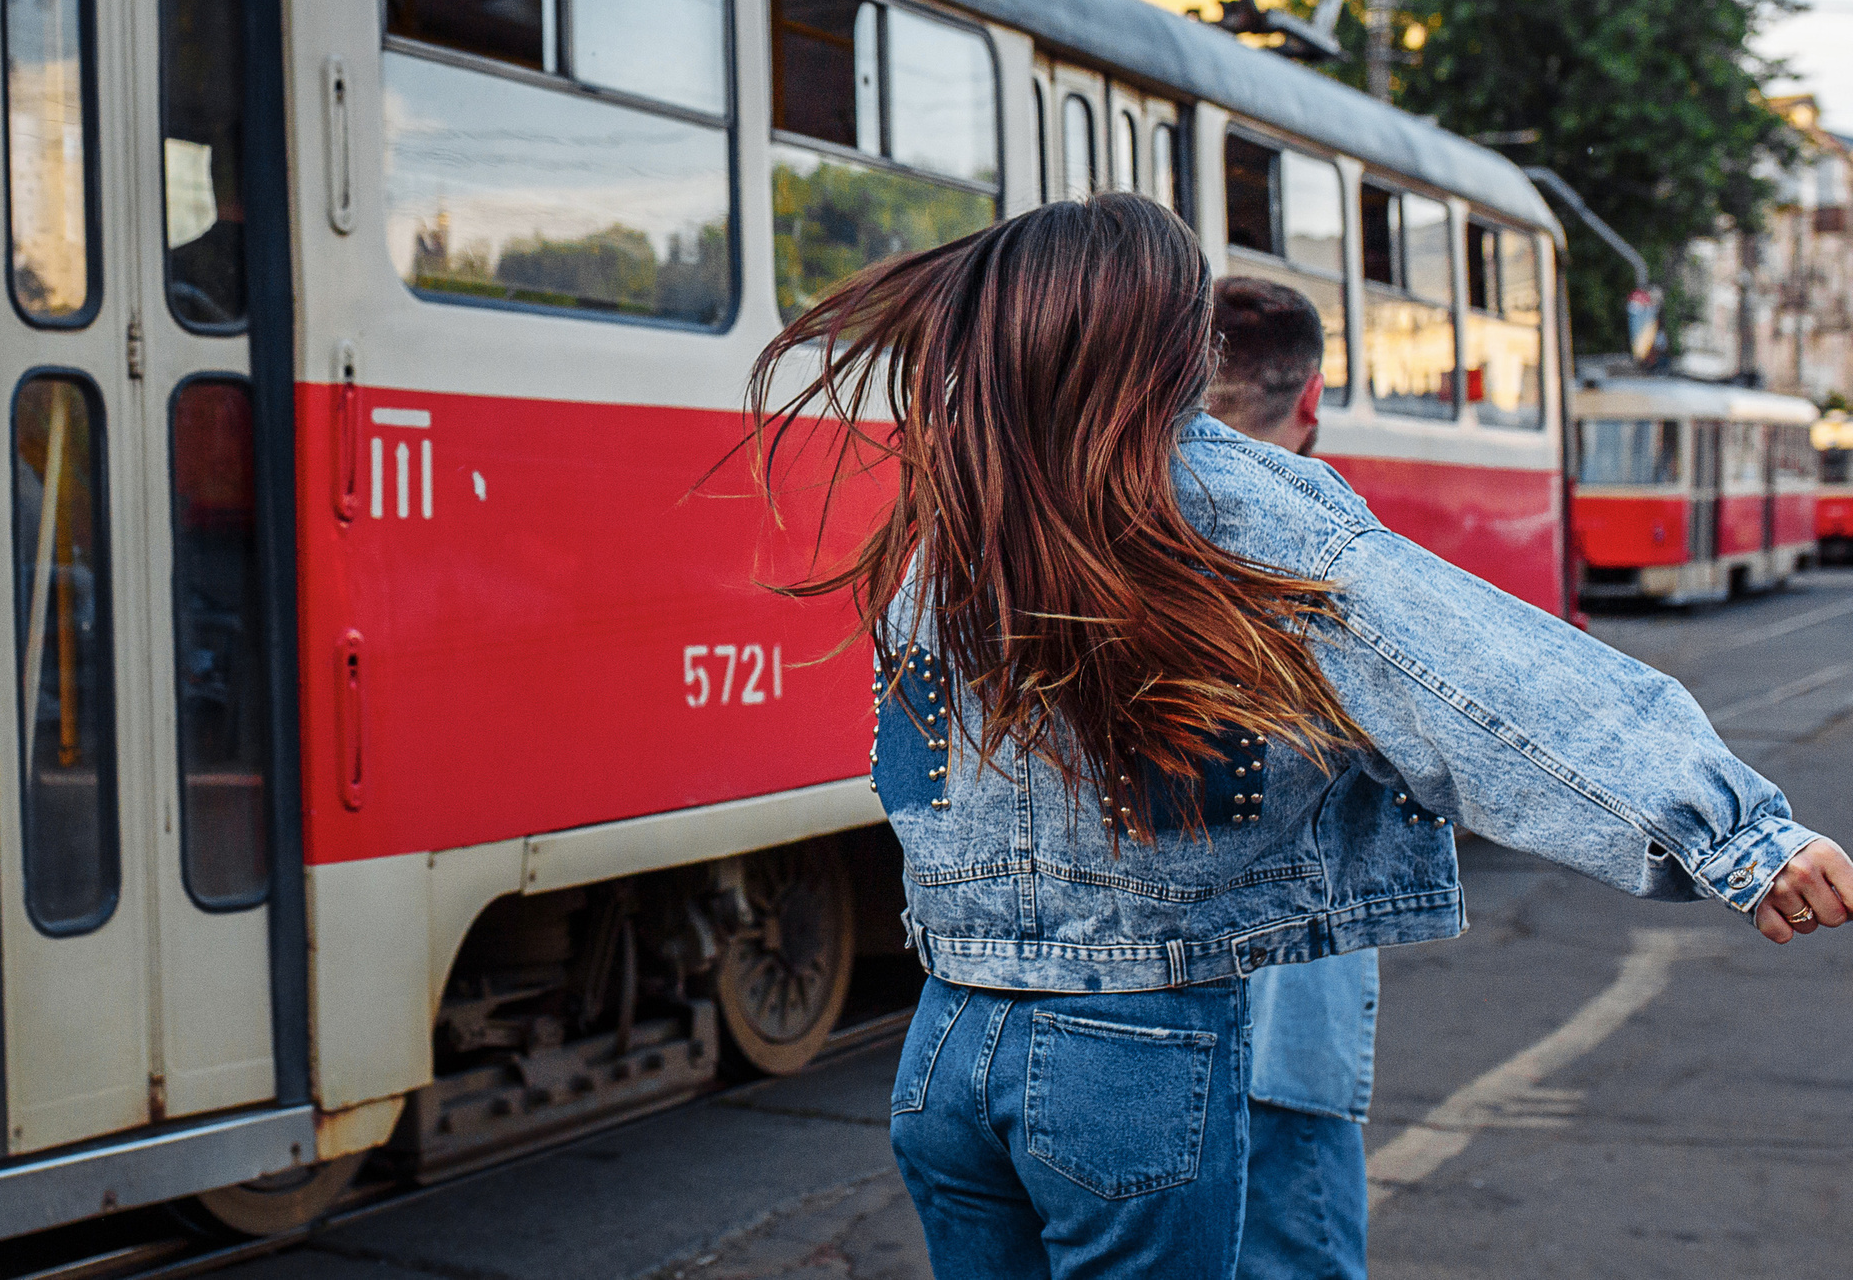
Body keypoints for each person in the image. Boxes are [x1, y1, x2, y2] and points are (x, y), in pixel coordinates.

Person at [747, 195, 1852, 1279]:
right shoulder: (1231, 504)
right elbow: (1475, 677)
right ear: (1171, 344)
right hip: (1130, 1053)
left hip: (944, 1051)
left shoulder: (957, 513)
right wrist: (1736, 837)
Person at [1204, 276, 1367, 1280]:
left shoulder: (1099, 532)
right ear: (1309, 401)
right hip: (1280, 1016)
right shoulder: (1329, 543)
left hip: (1101, 1027)